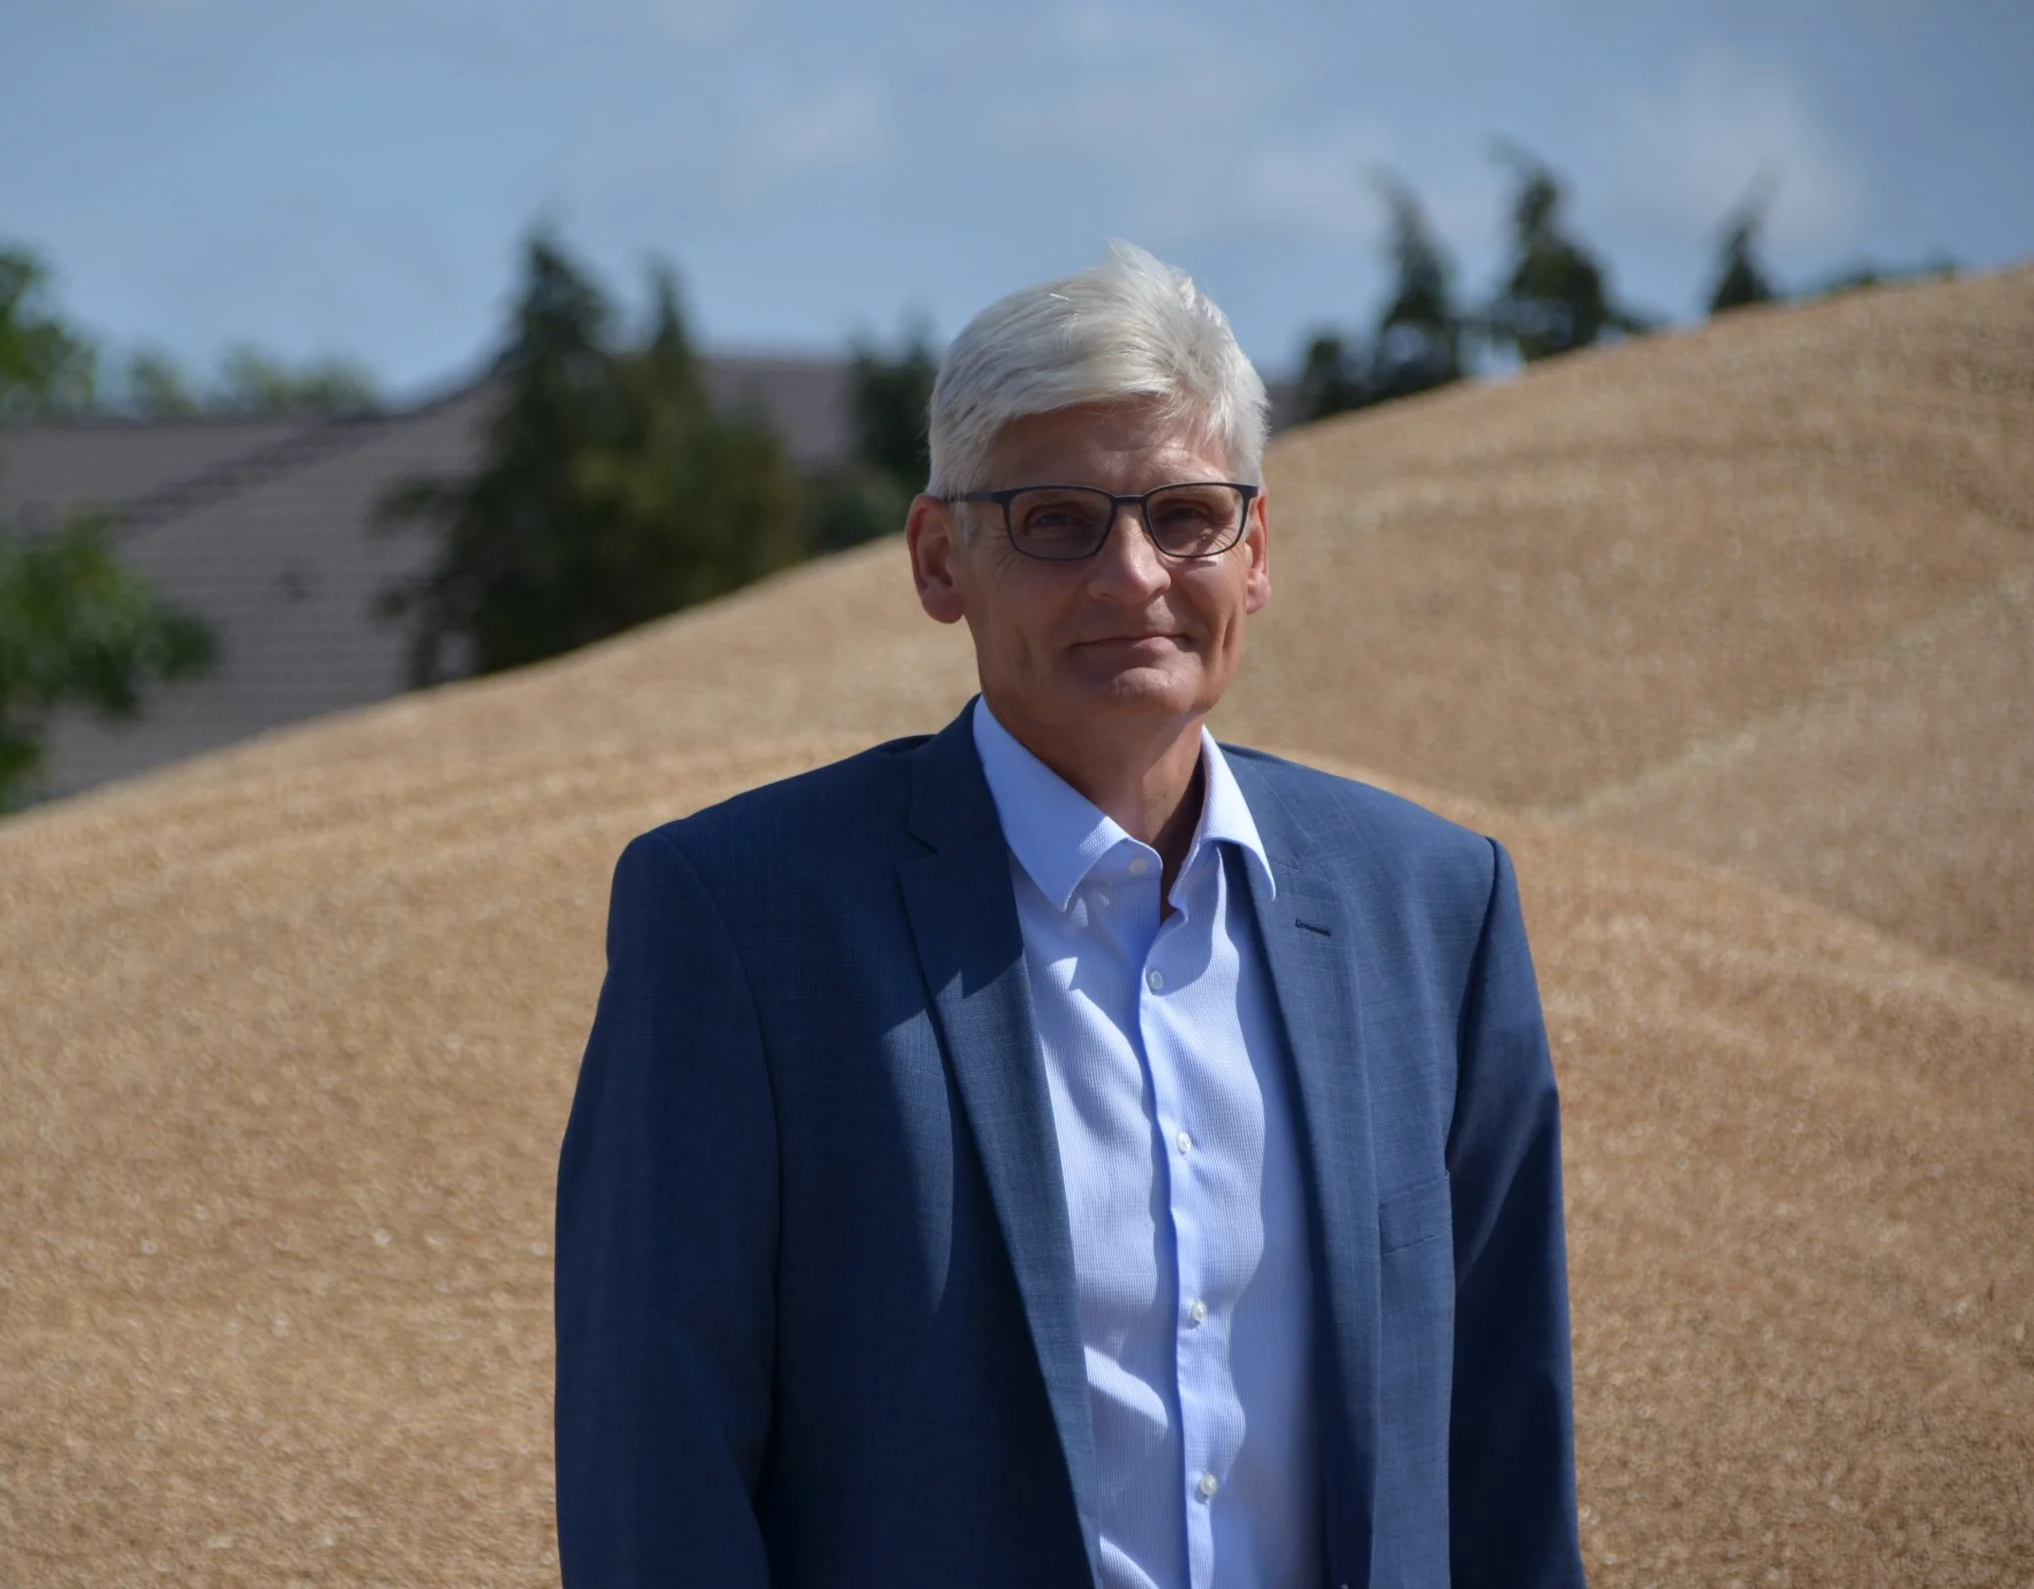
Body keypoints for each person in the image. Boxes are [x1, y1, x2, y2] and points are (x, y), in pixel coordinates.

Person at [554, 243, 1584, 1589]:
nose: (1134, 577)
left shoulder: (1432, 910)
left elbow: (1505, 1447)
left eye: (1185, 516)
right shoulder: (747, 921)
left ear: (1256, 550)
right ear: (939, 560)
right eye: (1057, 522)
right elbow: (658, 1472)